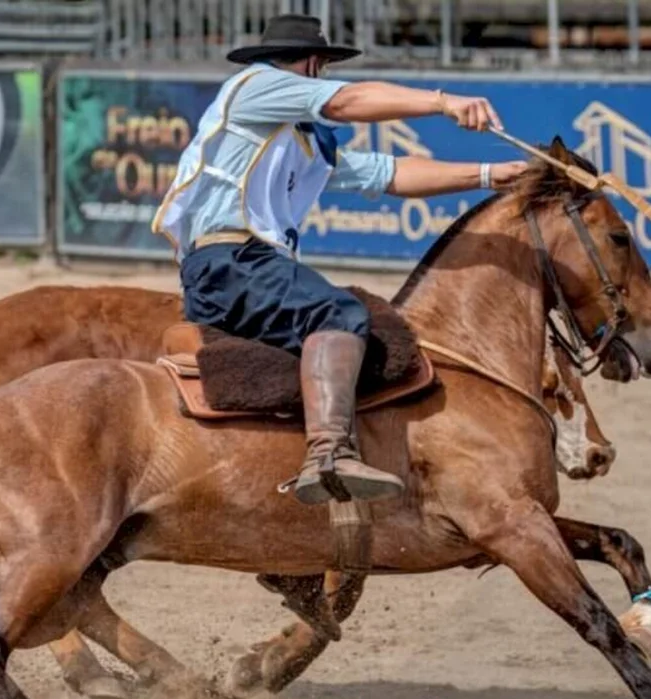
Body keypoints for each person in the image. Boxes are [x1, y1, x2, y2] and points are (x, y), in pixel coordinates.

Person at [152, 14, 528, 506]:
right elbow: (347, 102)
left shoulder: (299, 136)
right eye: (324, 68)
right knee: (340, 314)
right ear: (312, 64)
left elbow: (391, 173)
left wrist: (488, 175)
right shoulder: (258, 86)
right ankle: (328, 454)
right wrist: (442, 102)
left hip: (228, 267)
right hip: (234, 262)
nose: (324, 77)